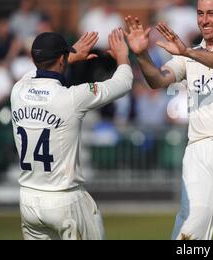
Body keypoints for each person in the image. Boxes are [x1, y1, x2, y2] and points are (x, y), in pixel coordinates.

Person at [123, 0, 213, 240]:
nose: (204, 20)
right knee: (190, 227)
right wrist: (141, 54)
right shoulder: (189, 55)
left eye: (211, 13)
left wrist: (187, 52)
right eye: (200, 13)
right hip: (198, 146)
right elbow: (157, 80)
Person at [11, 29, 133, 240]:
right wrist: (123, 56)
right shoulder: (72, 98)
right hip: (65, 199)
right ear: (61, 59)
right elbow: (123, 83)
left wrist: (68, 57)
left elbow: (34, 73)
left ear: (33, 58)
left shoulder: (18, 90)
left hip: (29, 200)